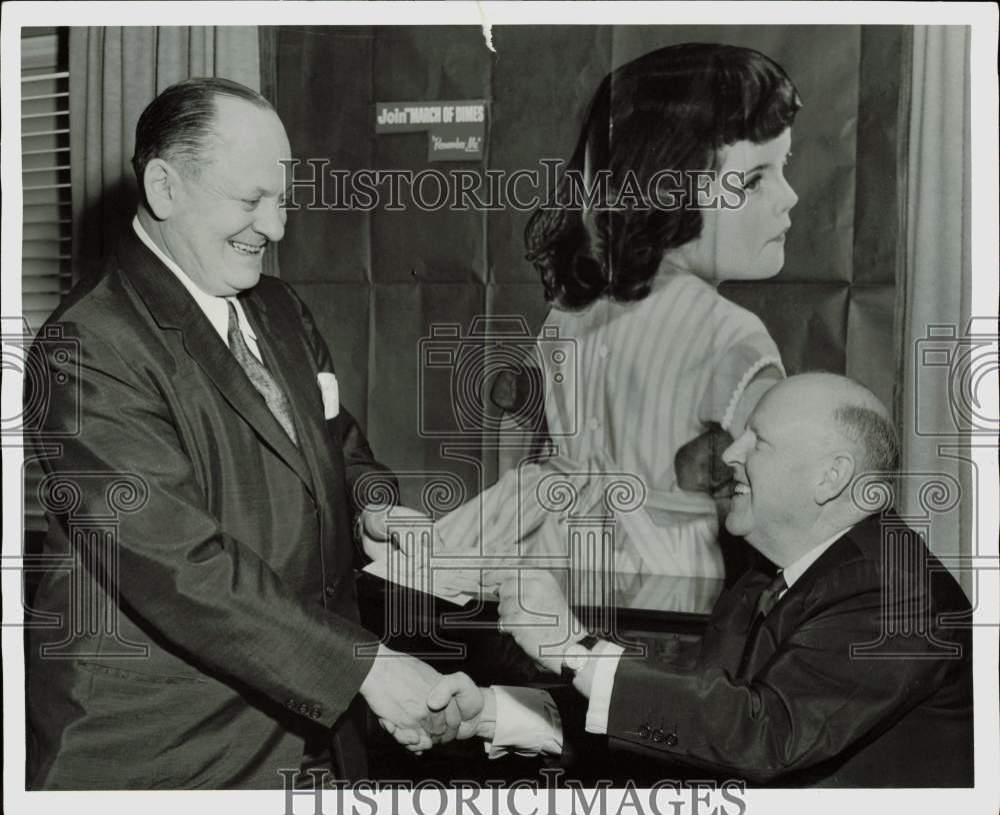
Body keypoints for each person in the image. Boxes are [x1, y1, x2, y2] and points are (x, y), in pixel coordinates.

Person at [25, 77, 461, 789]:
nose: (278, 225)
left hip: (306, 731)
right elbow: (179, 564)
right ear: (165, 188)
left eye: (282, 198)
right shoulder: (87, 345)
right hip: (163, 755)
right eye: (250, 199)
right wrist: (363, 665)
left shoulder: (279, 308)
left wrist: (373, 503)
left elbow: (336, 441)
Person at [423, 373, 974, 787]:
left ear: (831, 477)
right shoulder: (768, 578)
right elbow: (690, 717)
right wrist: (501, 713)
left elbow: (764, 736)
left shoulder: (899, 594)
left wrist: (571, 644)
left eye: (758, 441)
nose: (730, 454)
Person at [431, 43, 799, 587]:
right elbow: (775, 504)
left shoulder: (571, 310)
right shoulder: (732, 337)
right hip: (662, 583)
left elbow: (520, 440)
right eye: (753, 179)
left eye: (783, 167)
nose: (788, 197)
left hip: (547, 561)